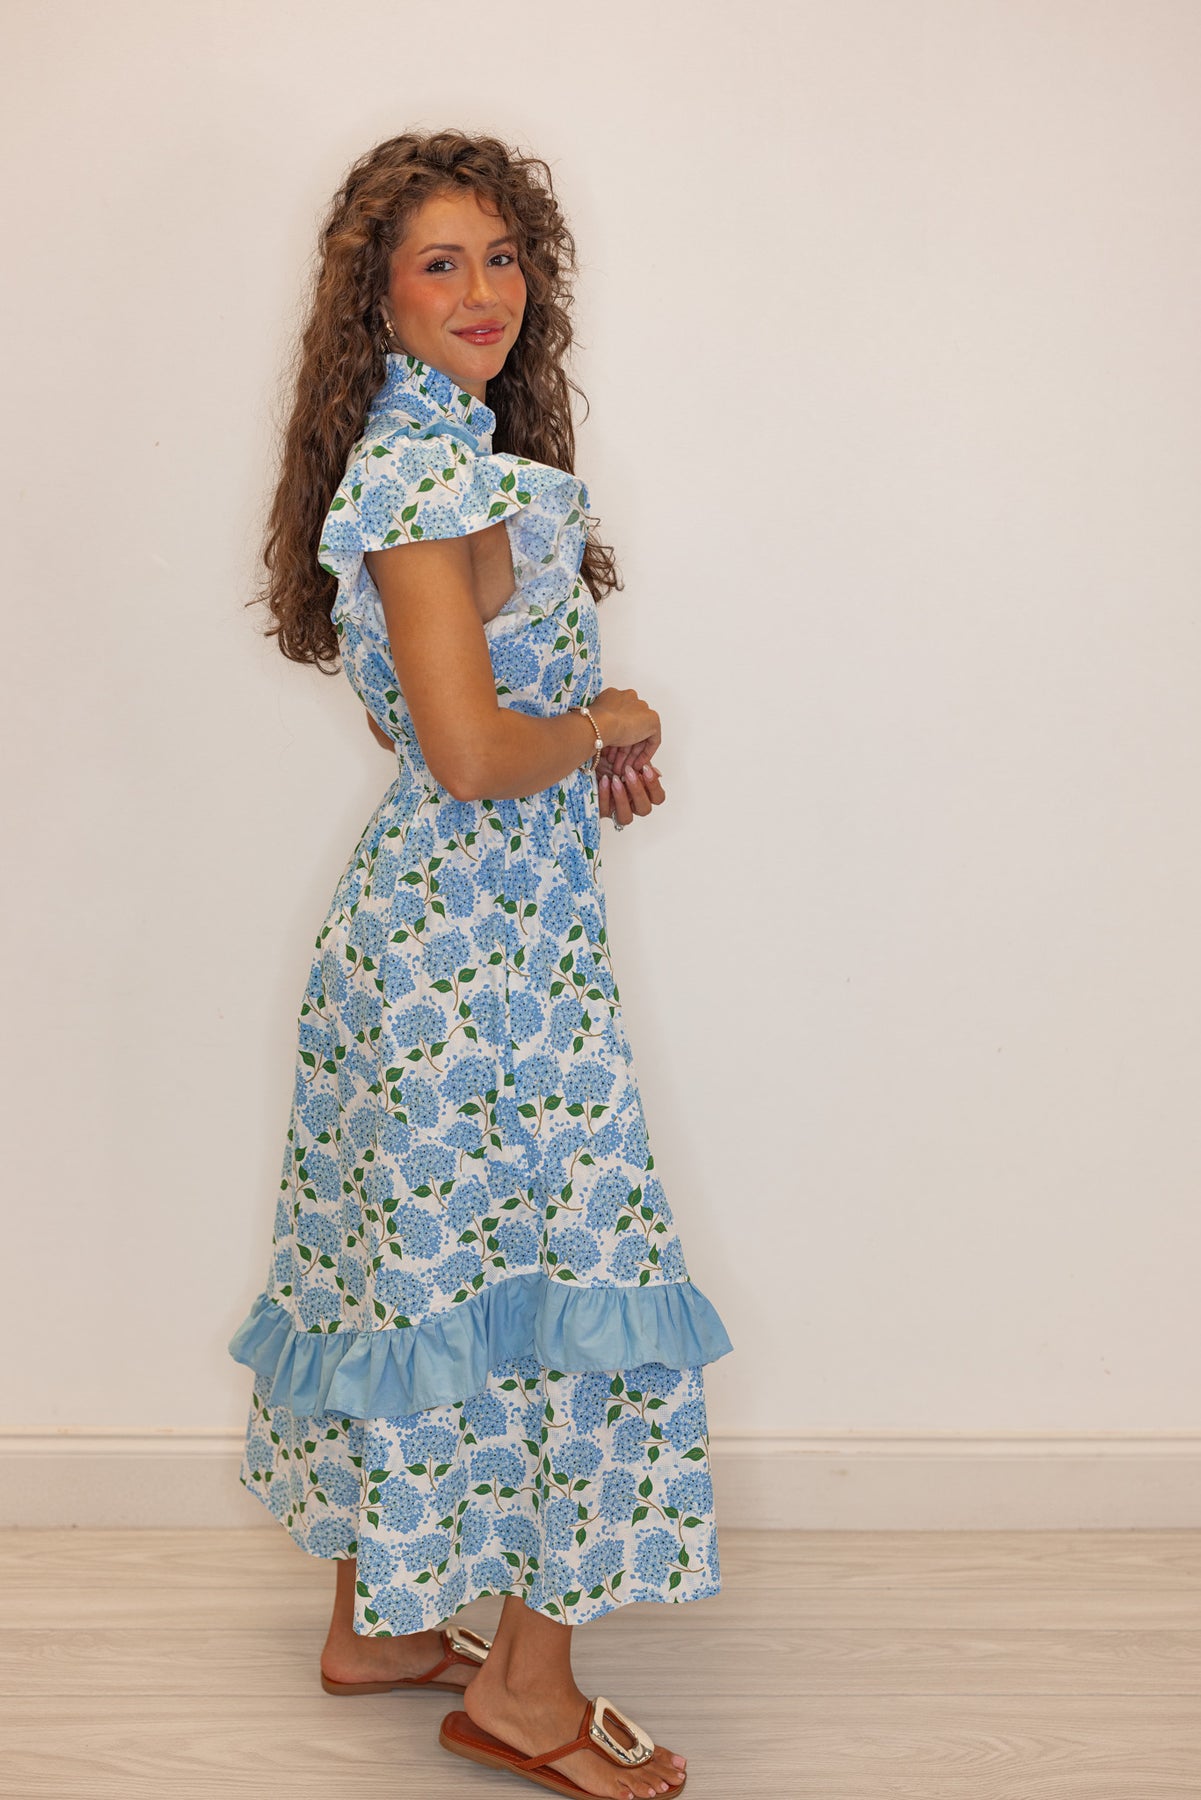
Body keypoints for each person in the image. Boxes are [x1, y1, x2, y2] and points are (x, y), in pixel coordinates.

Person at [226, 128, 734, 1800]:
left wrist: (564, 749)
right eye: (439, 261)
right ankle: (520, 1697)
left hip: (454, 948)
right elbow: (460, 752)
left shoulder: (429, 457)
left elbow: (438, 726)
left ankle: (378, 1631)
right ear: (374, 294)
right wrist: (605, 719)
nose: (481, 289)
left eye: (502, 256)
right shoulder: (428, 475)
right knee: (570, 1294)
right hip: (477, 975)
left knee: (420, 1280)